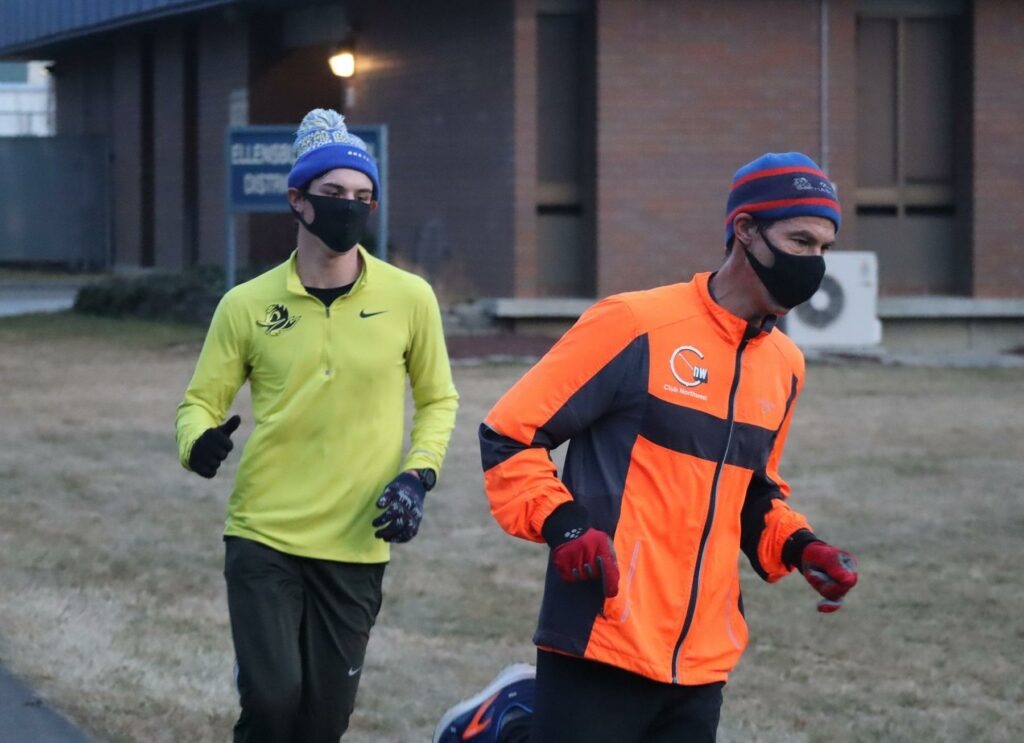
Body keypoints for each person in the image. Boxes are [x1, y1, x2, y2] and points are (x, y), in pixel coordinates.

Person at [434, 152, 858, 743]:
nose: (813, 263)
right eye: (801, 241)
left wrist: (802, 546)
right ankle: (503, 726)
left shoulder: (786, 365)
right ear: (745, 229)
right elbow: (510, 435)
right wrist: (565, 526)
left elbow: (751, 493)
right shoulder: (634, 324)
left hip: (703, 658)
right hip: (601, 636)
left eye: (824, 249)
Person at [176, 108, 459, 742]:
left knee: (321, 723)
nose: (350, 208)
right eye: (334, 195)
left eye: (364, 197)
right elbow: (197, 403)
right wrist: (198, 443)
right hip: (264, 535)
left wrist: (418, 476)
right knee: (274, 704)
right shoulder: (245, 304)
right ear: (298, 201)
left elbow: (439, 399)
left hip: (358, 545)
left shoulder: (410, 298)